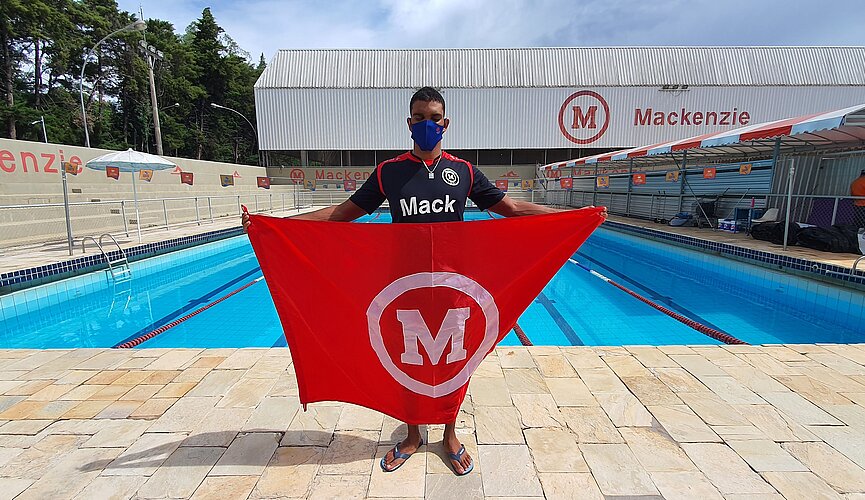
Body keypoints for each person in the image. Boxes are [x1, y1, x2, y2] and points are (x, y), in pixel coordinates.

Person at [243, 86, 593, 475]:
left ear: (446, 123)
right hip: (401, 284)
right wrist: (274, 227)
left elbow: (510, 208)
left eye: (434, 117)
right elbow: (342, 214)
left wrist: (574, 218)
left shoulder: (463, 171)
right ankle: (412, 435)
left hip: (453, 285)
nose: (427, 124)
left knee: (453, 362)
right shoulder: (390, 172)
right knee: (405, 359)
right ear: (409, 122)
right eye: (420, 117)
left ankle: (449, 434)